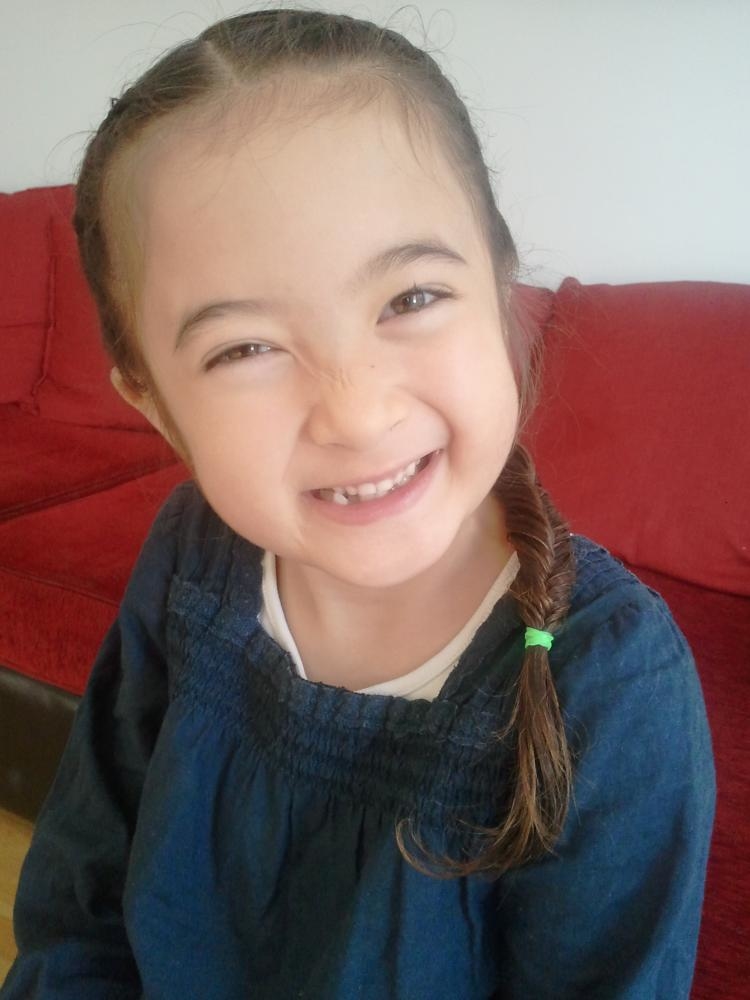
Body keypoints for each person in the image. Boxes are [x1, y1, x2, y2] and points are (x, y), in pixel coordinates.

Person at [2, 9, 715, 999]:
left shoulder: (614, 682)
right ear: (155, 405)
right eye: (245, 348)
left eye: (410, 298)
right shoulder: (191, 557)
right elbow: (80, 904)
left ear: (502, 288)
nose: (355, 412)